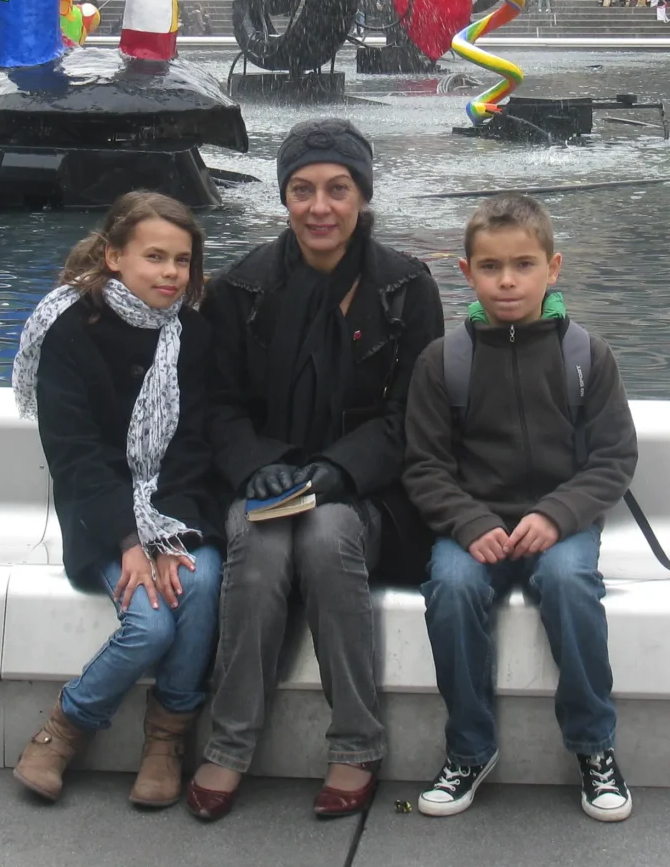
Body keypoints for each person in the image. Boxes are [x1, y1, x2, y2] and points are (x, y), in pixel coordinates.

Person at [188, 119, 444, 822]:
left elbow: (411, 417)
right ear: (284, 198)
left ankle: (357, 743)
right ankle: (231, 744)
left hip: (367, 496)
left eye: (337, 188)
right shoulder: (241, 290)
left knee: (328, 534)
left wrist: (338, 470)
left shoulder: (406, 289)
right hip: (267, 486)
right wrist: (256, 467)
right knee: (260, 540)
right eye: (302, 190)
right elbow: (218, 407)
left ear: (362, 196)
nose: (319, 206)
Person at [403, 192, 637, 823]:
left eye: (524, 265)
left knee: (568, 582)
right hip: (473, 524)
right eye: (491, 267)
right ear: (466, 272)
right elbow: (424, 465)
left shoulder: (586, 356)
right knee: (450, 586)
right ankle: (470, 747)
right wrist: (469, 522)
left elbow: (613, 458)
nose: (507, 281)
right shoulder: (443, 362)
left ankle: (594, 746)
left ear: (552, 268)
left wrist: (558, 515)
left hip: (558, 523)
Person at [10, 192, 223, 808]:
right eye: (154, 257)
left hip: (178, 504)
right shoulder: (70, 326)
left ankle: (166, 740)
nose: (170, 274)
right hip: (98, 509)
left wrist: (167, 533)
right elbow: (74, 452)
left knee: (201, 583)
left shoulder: (194, 331)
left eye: (182, 261)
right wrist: (131, 539)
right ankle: (65, 727)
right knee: (150, 626)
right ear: (113, 256)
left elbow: (193, 444)